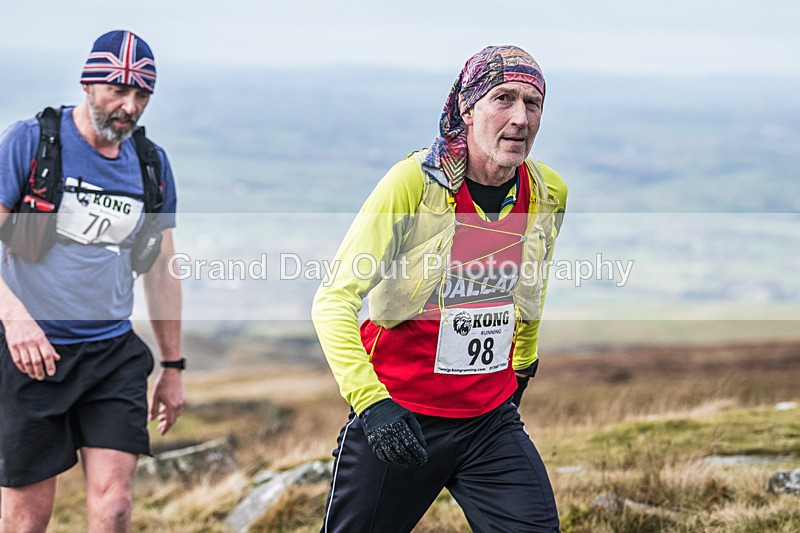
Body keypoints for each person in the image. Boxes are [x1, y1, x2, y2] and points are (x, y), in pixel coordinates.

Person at [312, 45, 567, 532]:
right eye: (503, 98)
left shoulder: (548, 191)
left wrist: (522, 366)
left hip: (489, 420)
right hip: (400, 414)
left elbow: (532, 287)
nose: (520, 118)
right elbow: (333, 300)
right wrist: (373, 405)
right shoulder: (413, 182)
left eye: (532, 103)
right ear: (467, 109)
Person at [0, 30, 183, 533]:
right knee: (27, 520)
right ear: (87, 84)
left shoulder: (151, 164)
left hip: (110, 355)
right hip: (31, 354)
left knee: (115, 505)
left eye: (141, 95)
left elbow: (162, 269)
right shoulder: (31, 142)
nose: (129, 107)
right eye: (117, 91)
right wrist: (15, 318)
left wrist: (173, 365)